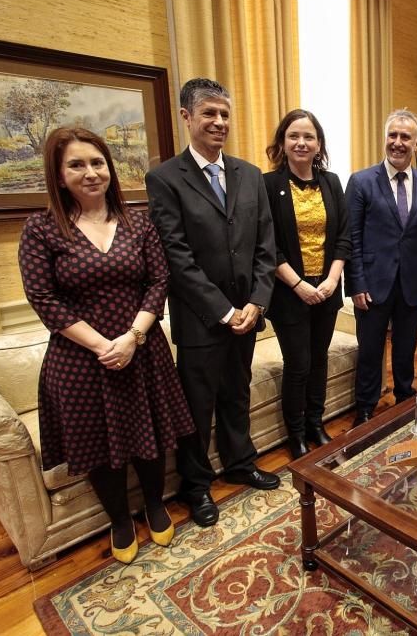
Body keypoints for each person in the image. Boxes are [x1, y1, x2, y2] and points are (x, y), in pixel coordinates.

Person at [19, 127, 194, 564]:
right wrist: (103, 346)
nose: (91, 172)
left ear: (110, 170)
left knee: (150, 432)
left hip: (142, 348)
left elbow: (159, 280)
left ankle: (154, 505)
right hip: (81, 360)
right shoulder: (41, 229)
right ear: (59, 176)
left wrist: (132, 337)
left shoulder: (138, 222)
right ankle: (118, 518)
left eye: (98, 163)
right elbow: (43, 299)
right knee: (100, 446)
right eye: (77, 165)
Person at [146, 78, 279, 528]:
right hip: (203, 321)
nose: (219, 122)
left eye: (225, 113)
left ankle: (241, 462)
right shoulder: (165, 179)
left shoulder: (249, 175)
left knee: (236, 395)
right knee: (197, 408)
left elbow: (265, 245)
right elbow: (176, 257)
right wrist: (224, 310)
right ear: (187, 117)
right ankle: (196, 486)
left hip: (248, 315)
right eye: (209, 113)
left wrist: (257, 303)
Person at [345, 109, 417, 426]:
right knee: (371, 348)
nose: (398, 143)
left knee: (405, 348)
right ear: (384, 138)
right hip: (373, 284)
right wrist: (356, 284)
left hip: (412, 282)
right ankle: (365, 406)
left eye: (405, 137)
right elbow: (353, 238)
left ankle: (405, 399)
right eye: (393, 135)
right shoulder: (361, 182)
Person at [263, 110, 350, 459]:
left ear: (319, 144)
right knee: (298, 364)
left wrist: (331, 279)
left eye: (308, 137)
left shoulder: (332, 182)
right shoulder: (269, 185)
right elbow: (267, 244)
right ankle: (296, 434)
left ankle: (316, 422)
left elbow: (344, 235)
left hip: (327, 290)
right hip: (289, 294)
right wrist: (298, 284)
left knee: (319, 361)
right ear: (283, 142)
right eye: (294, 136)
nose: (301, 143)